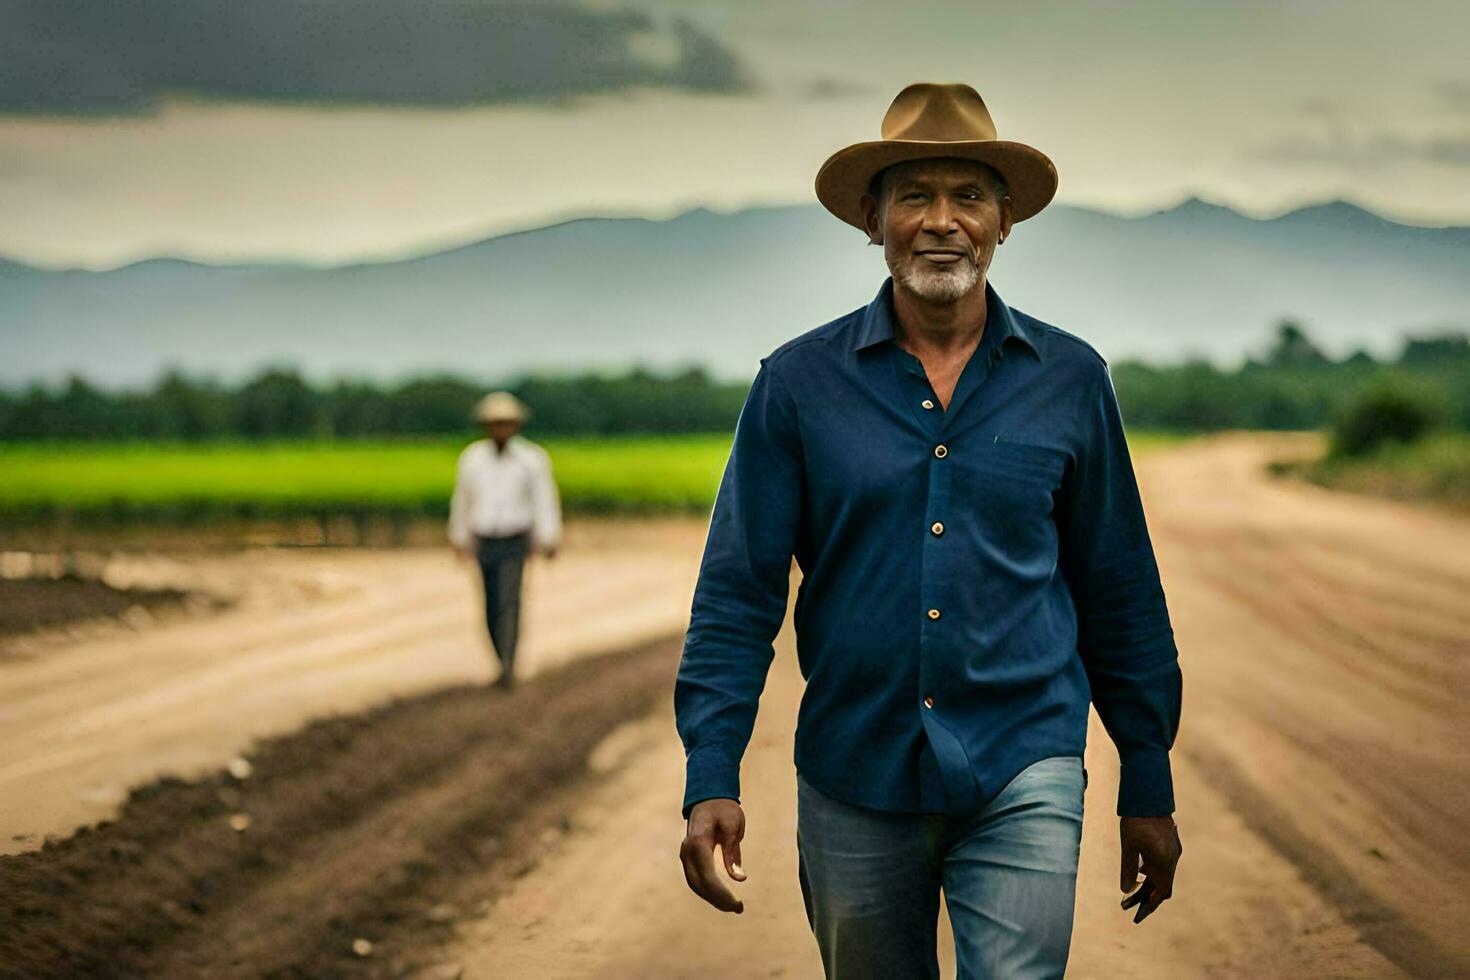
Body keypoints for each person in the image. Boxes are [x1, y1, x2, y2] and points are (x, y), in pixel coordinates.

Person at [674, 82, 1183, 977]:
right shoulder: (796, 385)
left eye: (969, 196)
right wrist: (711, 771)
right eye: (915, 196)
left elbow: (1118, 586)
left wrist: (1147, 769)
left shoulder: (1069, 379)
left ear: (1005, 221)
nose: (943, 221)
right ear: (873, 221)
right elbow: (738, 593)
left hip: (1027, 758)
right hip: (854, 771)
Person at [448, 391, 562, 692]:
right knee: (489, 603)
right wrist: (459, 538)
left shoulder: (531, 460)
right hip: (484, 539)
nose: (500, 429)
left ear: (515, 425)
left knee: (509, 601)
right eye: (495, 423)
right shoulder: (472, 459)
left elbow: (544, 500)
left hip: (515, 539)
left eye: (506, 423)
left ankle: (509, 664)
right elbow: (463, 501)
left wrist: (548, 537)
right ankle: (500, 659)